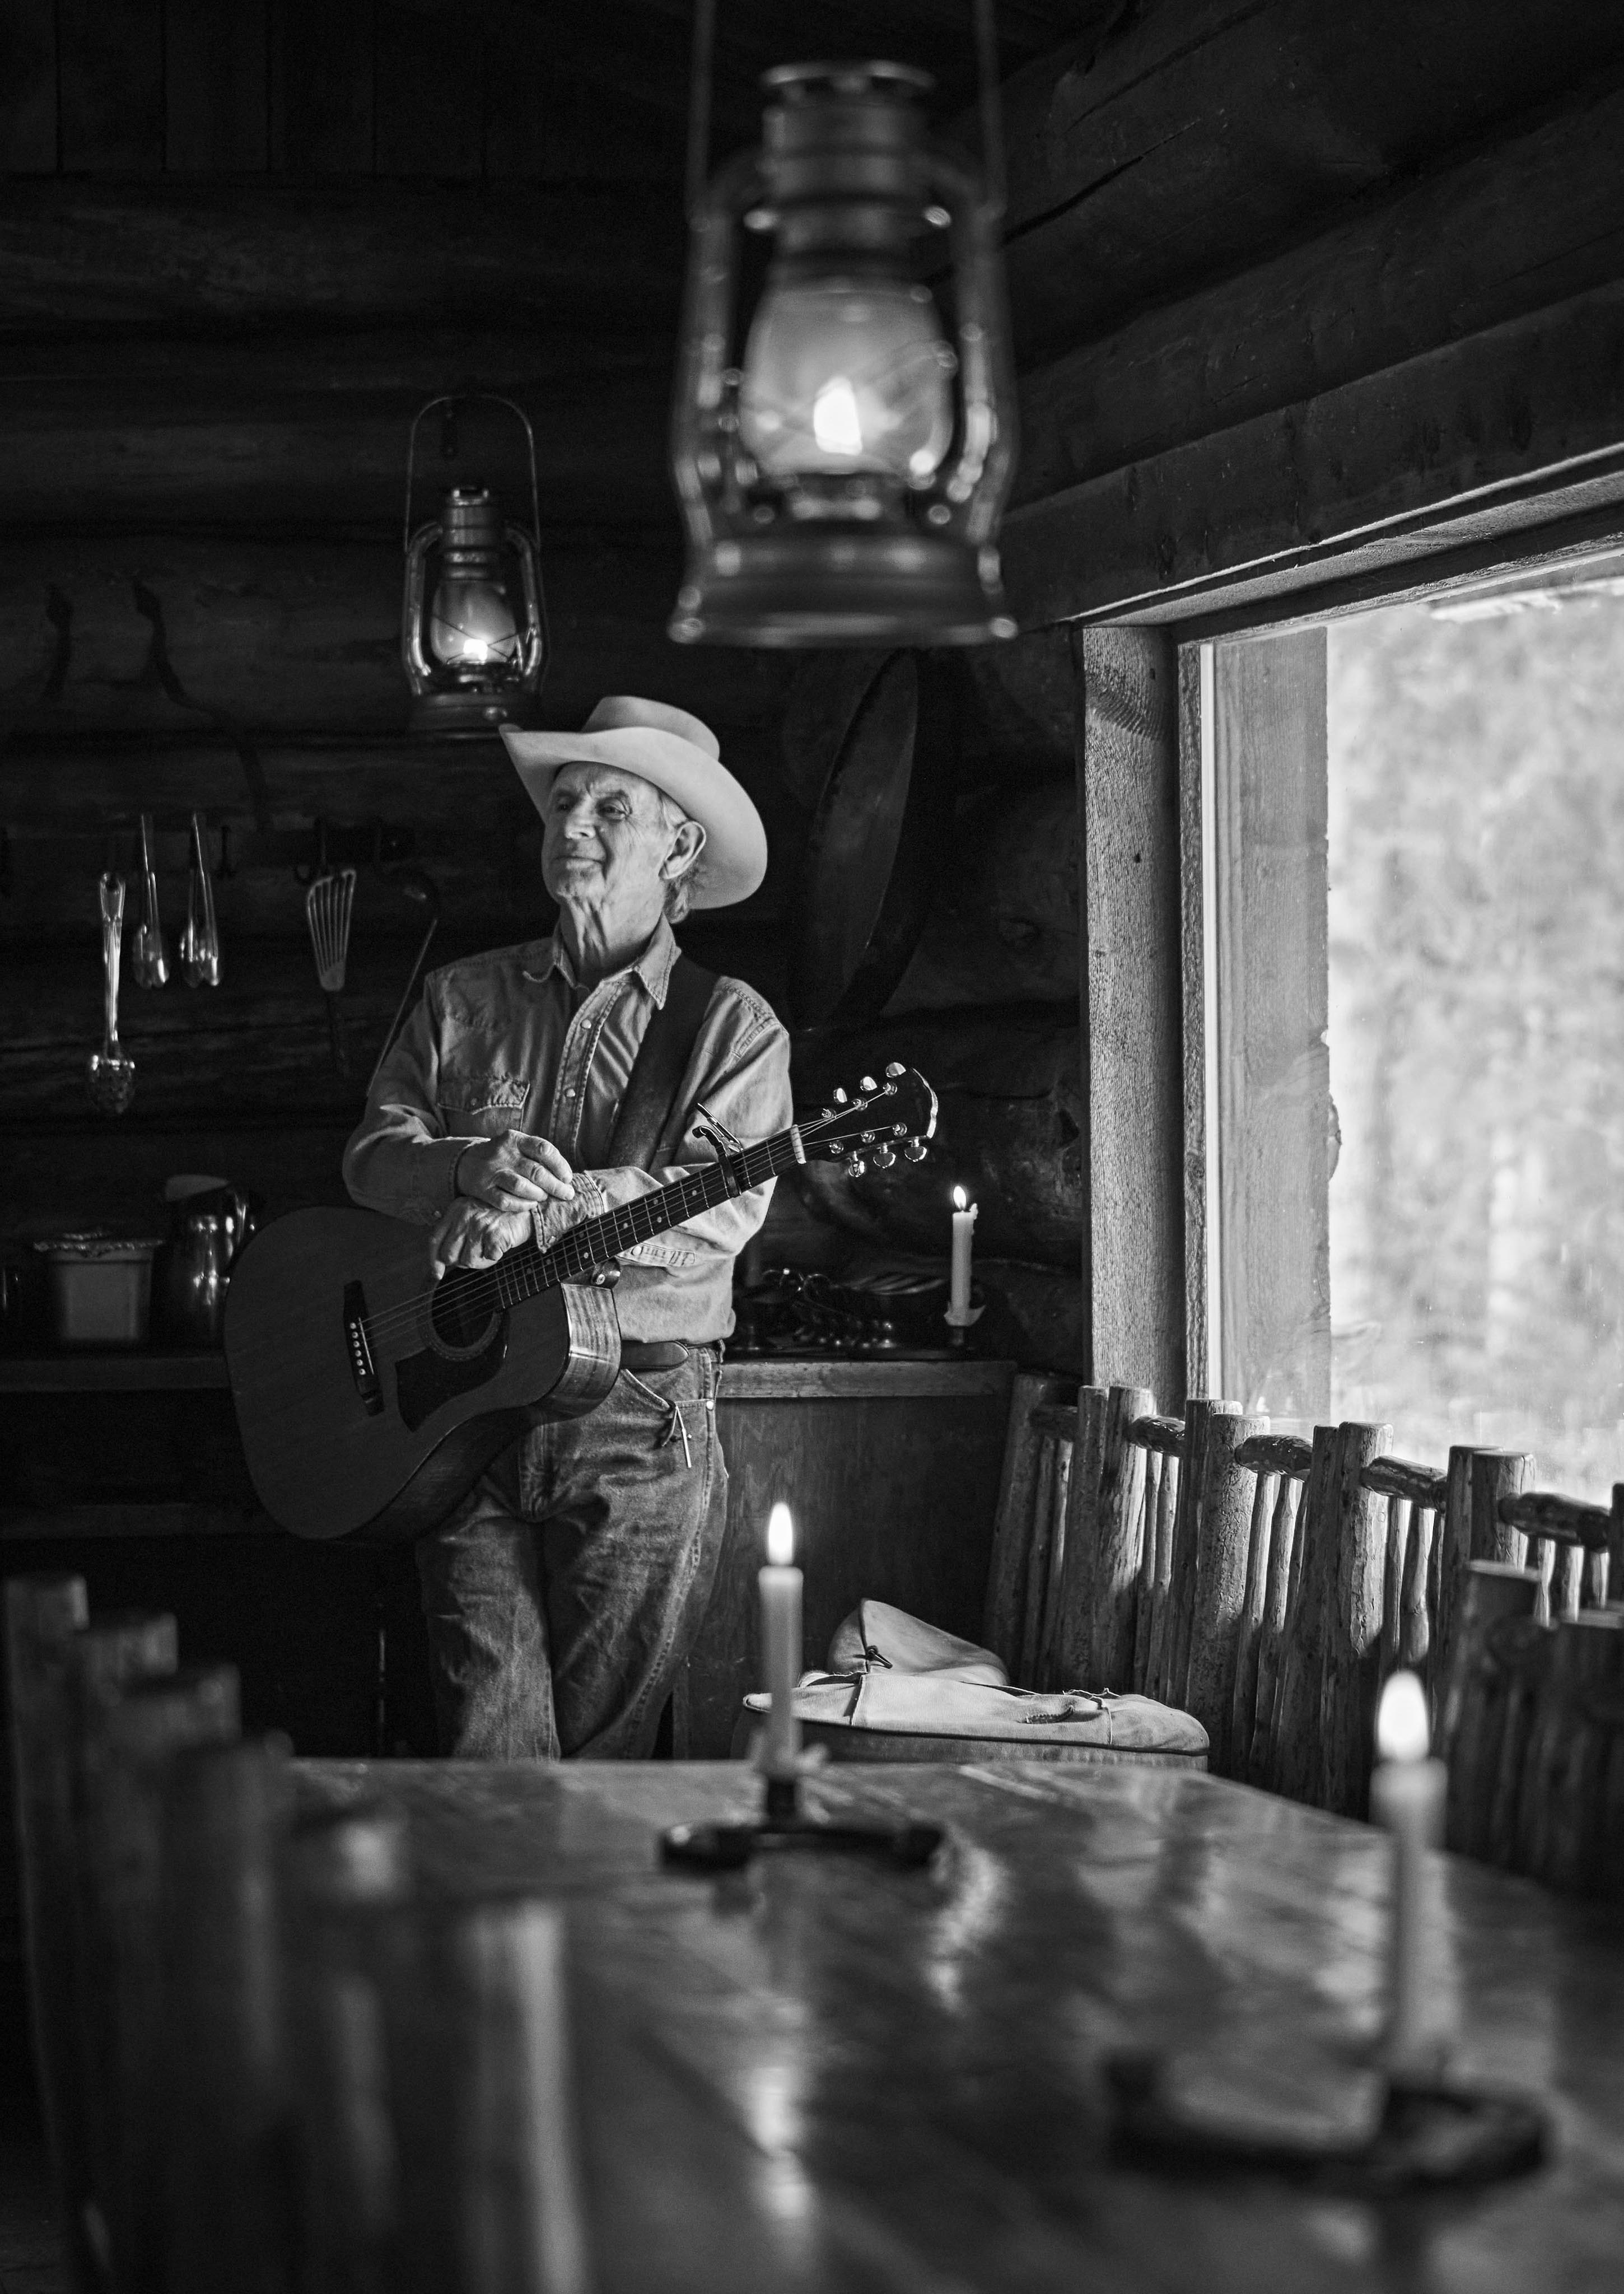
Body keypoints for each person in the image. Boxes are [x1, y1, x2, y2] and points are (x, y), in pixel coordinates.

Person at [343, 696, 791, 1760]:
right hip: (463, 1410)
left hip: (638, 1419)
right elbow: (370, 1158)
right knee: (488, 1748)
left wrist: (547, 1204)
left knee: (602, 1764)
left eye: (610, 806)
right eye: (563, 802)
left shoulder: (733, 1026)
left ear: (680, 844)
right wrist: (462, 1167)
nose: (573, 823)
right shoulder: (461, 999)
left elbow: (724, 1205)